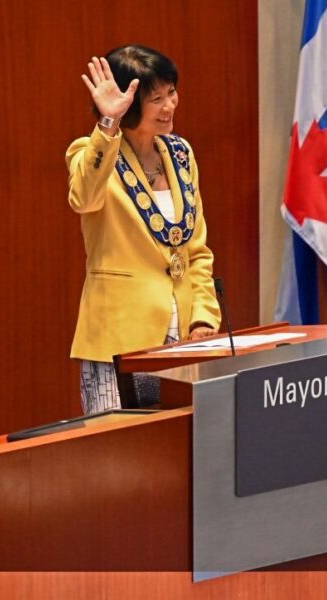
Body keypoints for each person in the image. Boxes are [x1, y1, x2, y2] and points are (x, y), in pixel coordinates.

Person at [66, 45, 221, 414]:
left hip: (182, 338)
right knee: (119, 456)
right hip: (118, 341)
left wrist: (203, 317)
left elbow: (195, 249)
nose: (170, 105)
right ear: (131, 104)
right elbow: (83, 199)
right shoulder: (91, 152)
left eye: (172, 93)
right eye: (157, 99)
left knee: (181, 451)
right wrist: (109, 124)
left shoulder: (180, 153)